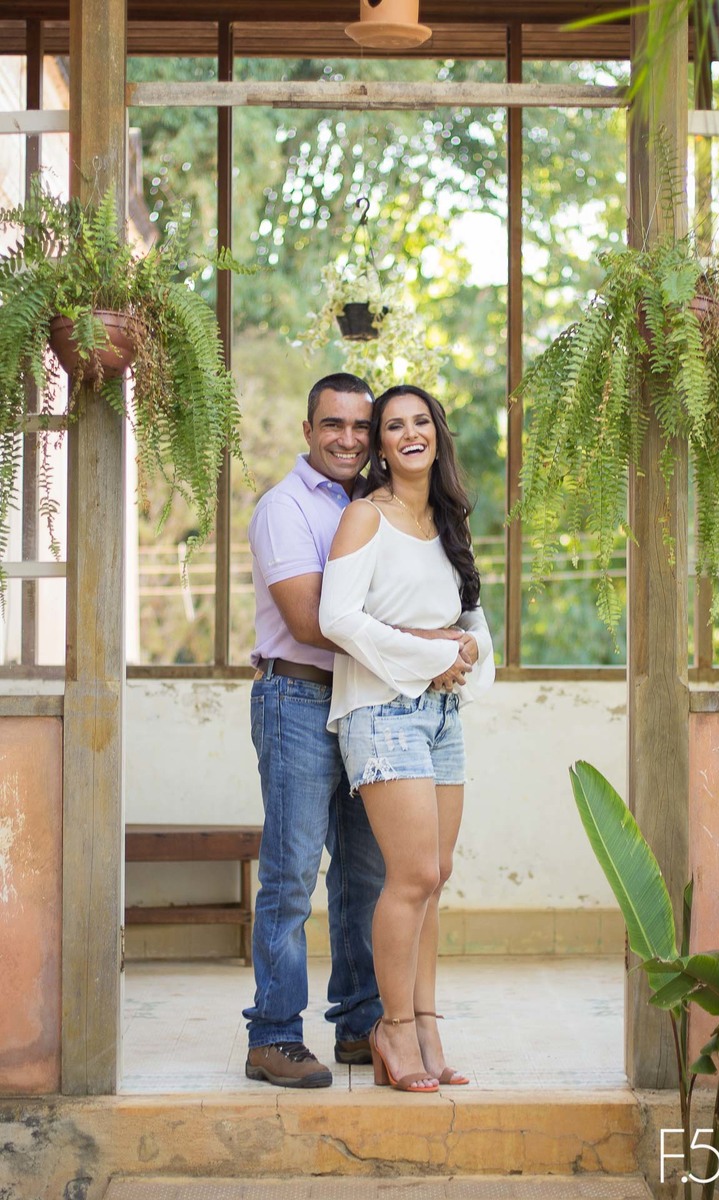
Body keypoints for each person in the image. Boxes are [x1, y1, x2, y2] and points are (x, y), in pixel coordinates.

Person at [319, 384, 495, 1093]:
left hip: (441, 716)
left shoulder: (450, 522)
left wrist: (464, 657)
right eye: (395, 425)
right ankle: (390, 1030)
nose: (409, 433)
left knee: (438, 876)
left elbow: (473, 623)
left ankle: (425, 1019)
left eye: (421, 421)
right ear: (382, 445)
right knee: (412, 875)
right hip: (381, 715)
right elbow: (338, 618)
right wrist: (432, 653)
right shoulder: (366, 516)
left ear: (437, 435)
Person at [243, 372, 386, 1088]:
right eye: (335, 425)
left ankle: (361, 1027)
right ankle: (272, 1035)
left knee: (366, 874)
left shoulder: (377, 506)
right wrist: (413, 644)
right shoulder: (285, 508)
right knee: (292, 874)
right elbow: (307, 621)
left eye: (362, 428)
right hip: (296, 699)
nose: (349, 440)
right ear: (308, 430)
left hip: (365, 704)